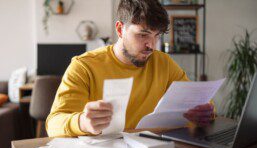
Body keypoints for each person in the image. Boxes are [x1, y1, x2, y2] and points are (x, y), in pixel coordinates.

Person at [46, 0, 215, 137]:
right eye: (143, 34)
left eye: (156, 36)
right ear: (120, 29)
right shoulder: (84, 66)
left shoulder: (164, 63)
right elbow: (53, 124)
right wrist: (82, 122)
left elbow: (198, 102)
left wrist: (203, 112)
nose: (151, 46)